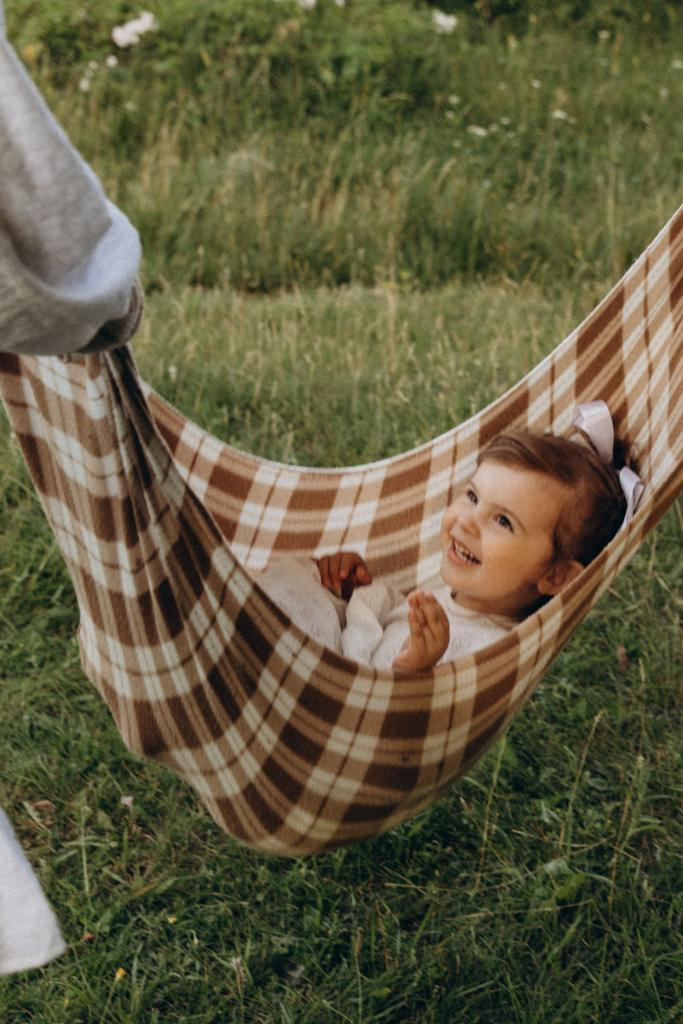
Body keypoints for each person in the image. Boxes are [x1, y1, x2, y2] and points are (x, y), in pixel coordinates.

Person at [259, 409, 640, 671]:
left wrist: (416, 672)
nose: (467, 522)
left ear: (556, 577)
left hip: (341, 702)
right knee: (297, 577)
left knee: (278, 605)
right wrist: (351, 590)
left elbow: (410, 729)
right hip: (338, 655)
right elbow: (392, 617)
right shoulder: (456, 590)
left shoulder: (491, 653)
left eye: (503, 521)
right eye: (472, 497)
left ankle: (239, 641)